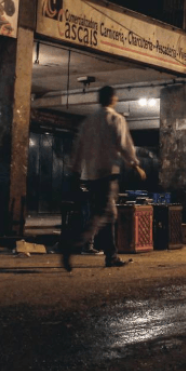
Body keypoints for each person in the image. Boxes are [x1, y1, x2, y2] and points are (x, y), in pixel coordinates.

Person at [62, 85, 146, 271]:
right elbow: (125, 146)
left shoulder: (88, 122)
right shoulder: (116, 119)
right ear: (113, 99)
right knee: (102, 215)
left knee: (108, 214)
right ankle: (72, 245)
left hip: (91, 176)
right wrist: (136, 165)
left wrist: (75, 171)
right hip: (107, 174)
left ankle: (111, 255)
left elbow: (78, 149)